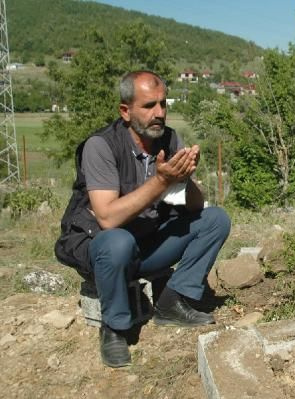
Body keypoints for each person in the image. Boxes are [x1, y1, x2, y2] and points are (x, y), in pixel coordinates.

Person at [54, 70, 230, 368]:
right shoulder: (101, 146)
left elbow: (194, 207)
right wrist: (162, 182)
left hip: (145, 242)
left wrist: (184, 180)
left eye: (163, 104)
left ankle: (172, 301)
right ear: (126, 111)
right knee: (117, 241)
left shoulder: (170, 140)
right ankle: (115, 328)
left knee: (215, 220)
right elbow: (107, 218)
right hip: (102, 249)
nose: (159, 113)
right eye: (149, 106)